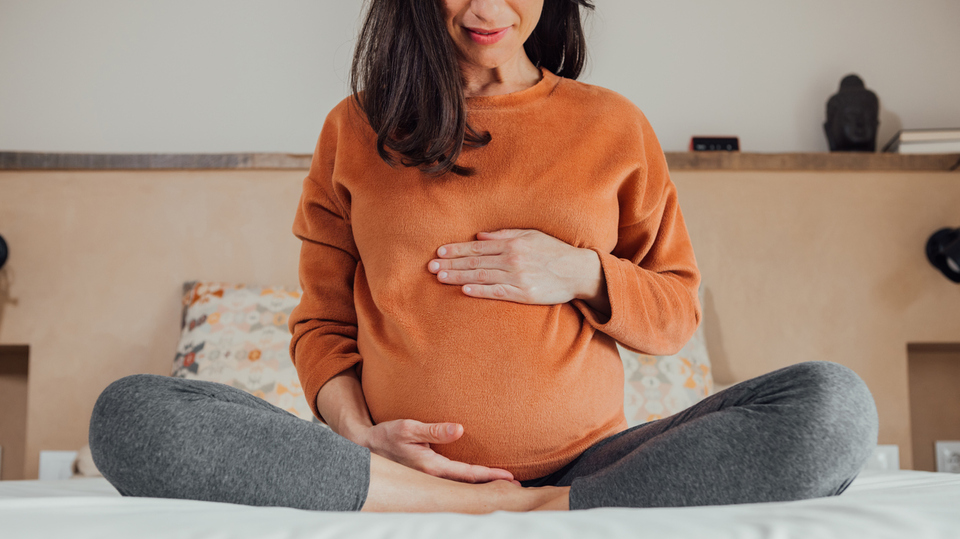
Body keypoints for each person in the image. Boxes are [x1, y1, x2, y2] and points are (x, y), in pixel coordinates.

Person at [88, 0, 879, 513]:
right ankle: (427, 496)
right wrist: (357, 435)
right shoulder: (354, 129)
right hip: (390, 475)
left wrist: (579, 273)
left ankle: (547, 506)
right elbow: (322, 323)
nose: (489, 8)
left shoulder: (613, 126)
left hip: (593, 467)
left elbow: (675, 313)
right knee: (129, 417)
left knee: (836, 410)